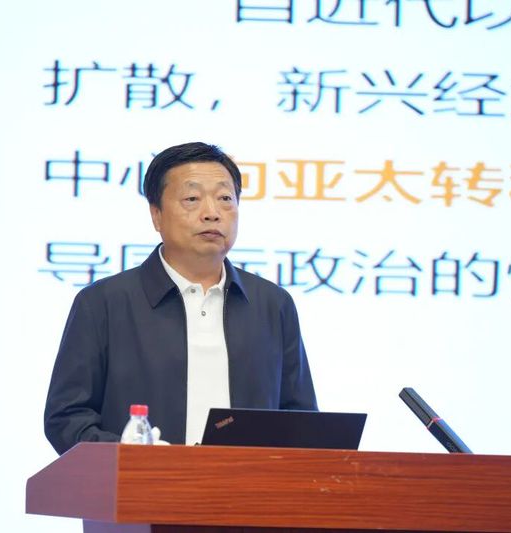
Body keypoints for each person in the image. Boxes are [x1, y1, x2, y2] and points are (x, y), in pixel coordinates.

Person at [44, 142, 317, 454]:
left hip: (246, 484)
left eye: (225, 199)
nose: (212, 213)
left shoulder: (272, 304)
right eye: (192, 199)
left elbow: (301, 420)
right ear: (156, 215)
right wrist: (137, 457)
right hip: (141, 483)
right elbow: (67, 418)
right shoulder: (103, 303)